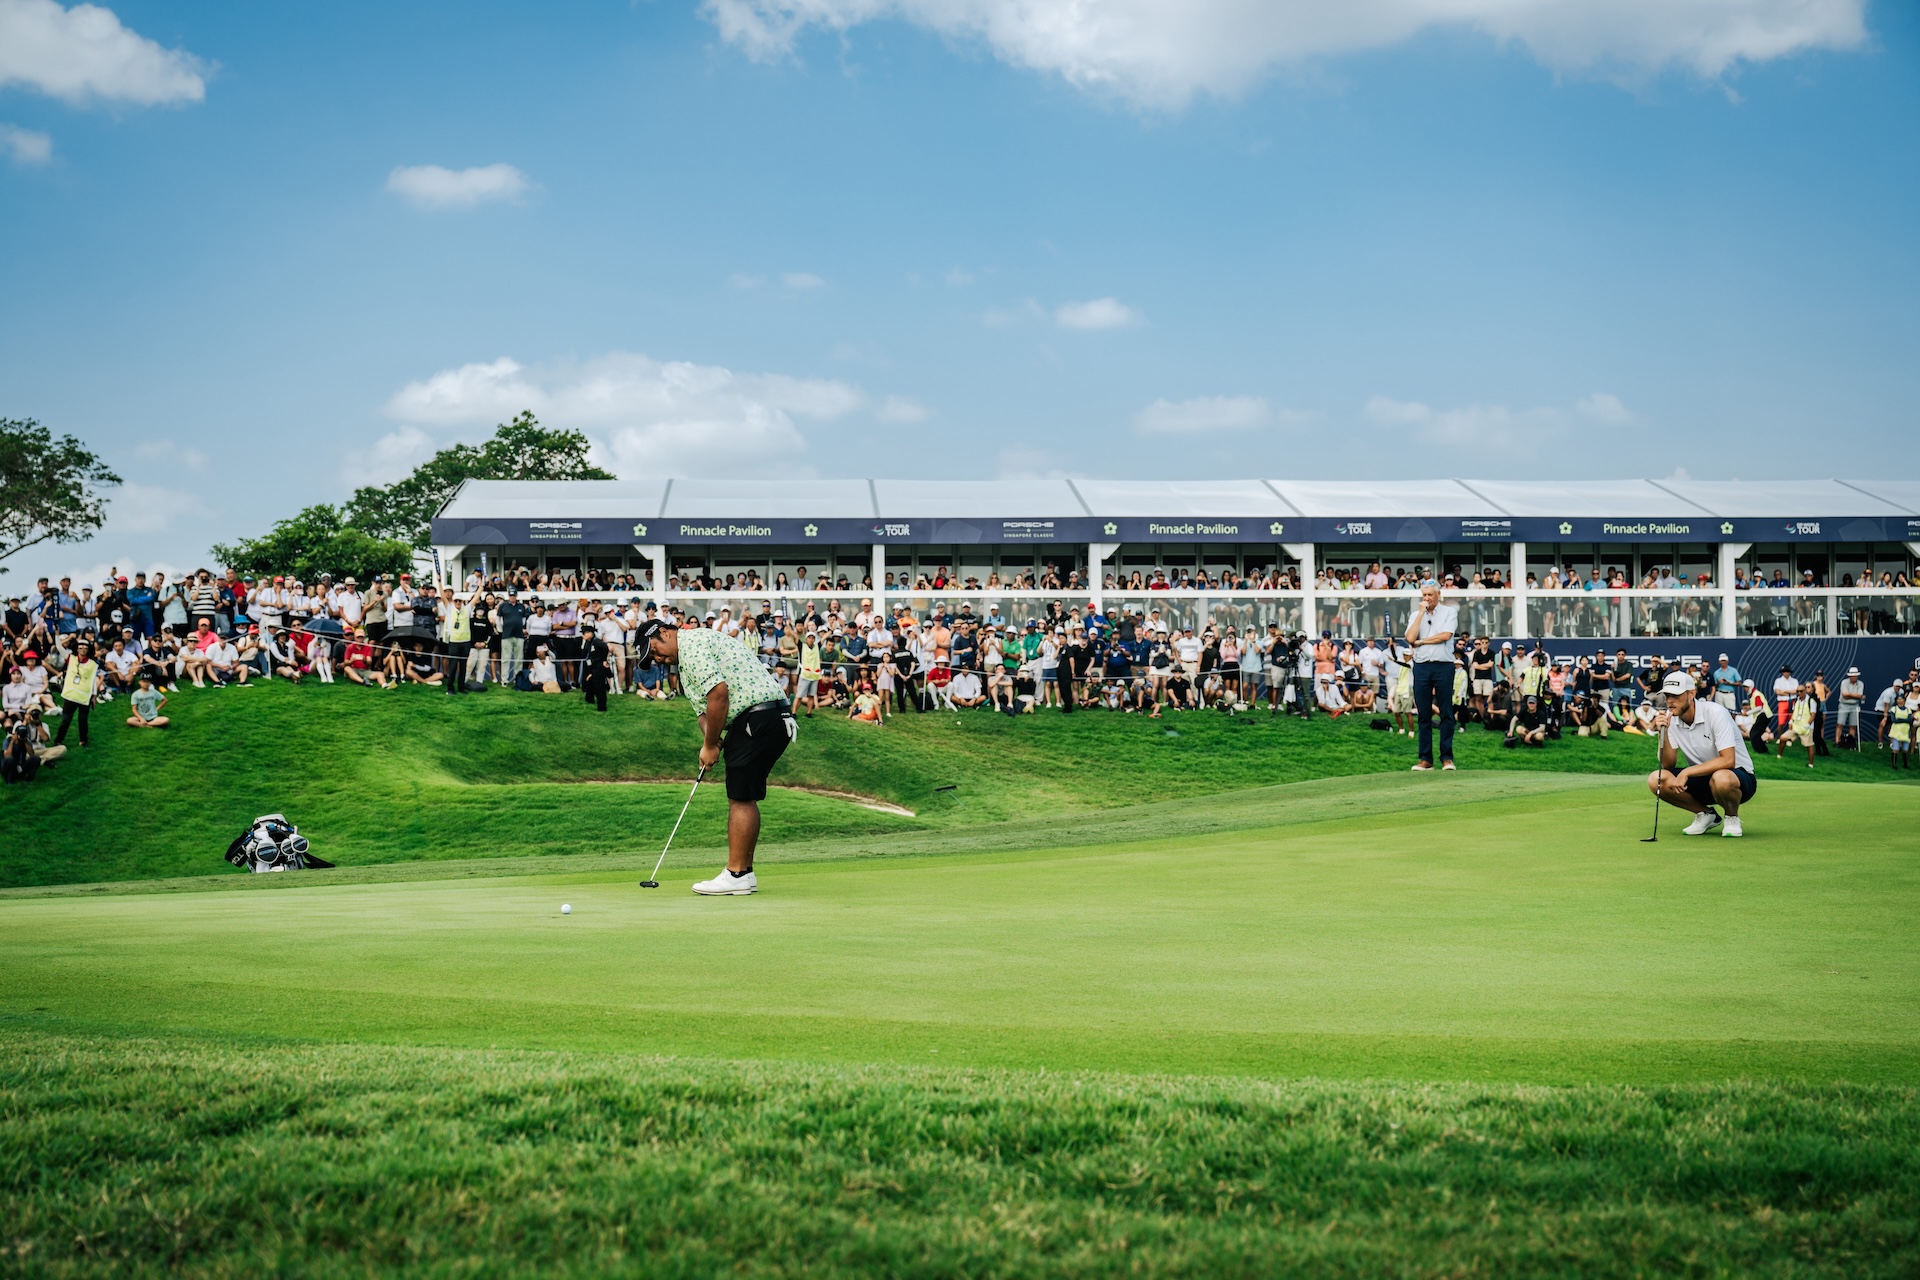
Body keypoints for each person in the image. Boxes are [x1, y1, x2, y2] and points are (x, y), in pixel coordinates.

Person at [637, 619, 796, 896]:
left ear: (664, 632)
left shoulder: (693, 644)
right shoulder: (685, 667)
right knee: (743, 793)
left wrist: (710, 746)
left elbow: (719, 696)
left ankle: (735, 874)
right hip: (764, 718)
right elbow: (705, 713)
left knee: (740, 796)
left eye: (654, 651)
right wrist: (711, 741)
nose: (657, 659)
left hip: (757, 716)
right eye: (652, 659)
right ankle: (744, 873)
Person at [1648, 669, 1756, 838]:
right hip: (1704, 777)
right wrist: (1663, 732)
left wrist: (1687, 772)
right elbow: (1668, 765)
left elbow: (1728, 760)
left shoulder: (1716, 713)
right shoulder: (1672, 720)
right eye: (1667, 696)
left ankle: (1731, 817)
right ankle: (1706, 815)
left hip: (1738, 778)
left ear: (1692, 693)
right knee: (1657, 779)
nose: (1670, 701)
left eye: (1675, 696)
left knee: (1721, 777)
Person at [1404, 580, 1458, 771]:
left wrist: (1422, 642)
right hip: (1422, 666)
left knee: (1446, 713)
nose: (1427, 598)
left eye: (1430, 595)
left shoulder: (1449, 612)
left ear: (1438, 595)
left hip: (1443, 665)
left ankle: (1447, 757)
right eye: (1424, 595)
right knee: (1424, 714)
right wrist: (1420, 613)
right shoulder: (1415, 615)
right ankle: (1426, 759)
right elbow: (1410, 638)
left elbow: (1445, 635)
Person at [51, 639, 100, 749]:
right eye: (80, 647)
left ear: (88, 650)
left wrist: (94, 696)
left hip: (84, 697)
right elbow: (59, 647)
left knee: (83, 721)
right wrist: (57, 634)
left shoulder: (92, 664)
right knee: (65, 720)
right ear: (77, 649)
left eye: (85, 647)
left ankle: (83, 741)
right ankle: (58, 740)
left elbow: (93, 681)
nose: (83, 649)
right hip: (70, 695)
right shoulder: (70, 658)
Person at [1837, 666, 1865, 749]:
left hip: (1855, 706)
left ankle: (1850, 743)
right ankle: (1837, 742)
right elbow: (1845, 695)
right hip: (1844, 705)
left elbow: (1859, 695)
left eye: (1855, 675)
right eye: (1852, 676)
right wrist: (1856, 696)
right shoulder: (1844, 682)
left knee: (1853, 725)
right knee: (1840, 724)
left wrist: (1850, 695)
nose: (1853, 677)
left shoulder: (1860, 684)